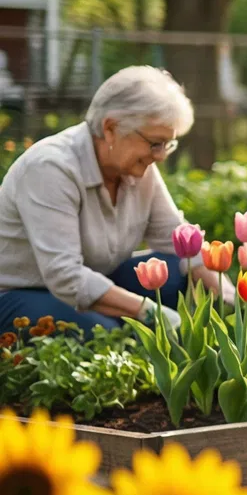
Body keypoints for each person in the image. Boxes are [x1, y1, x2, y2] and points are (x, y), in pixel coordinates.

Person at [0, 67, 230, 331]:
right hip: (22, 293)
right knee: (106, 333)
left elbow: (177, 240)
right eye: (155, 143)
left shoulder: (136, 166)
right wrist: (151, 313)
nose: (160, 156)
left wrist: (231, 298)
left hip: (95, 280)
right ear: (111, 128)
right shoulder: (50, 168)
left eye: (168, 144)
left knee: (180, 277)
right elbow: (65, 277)